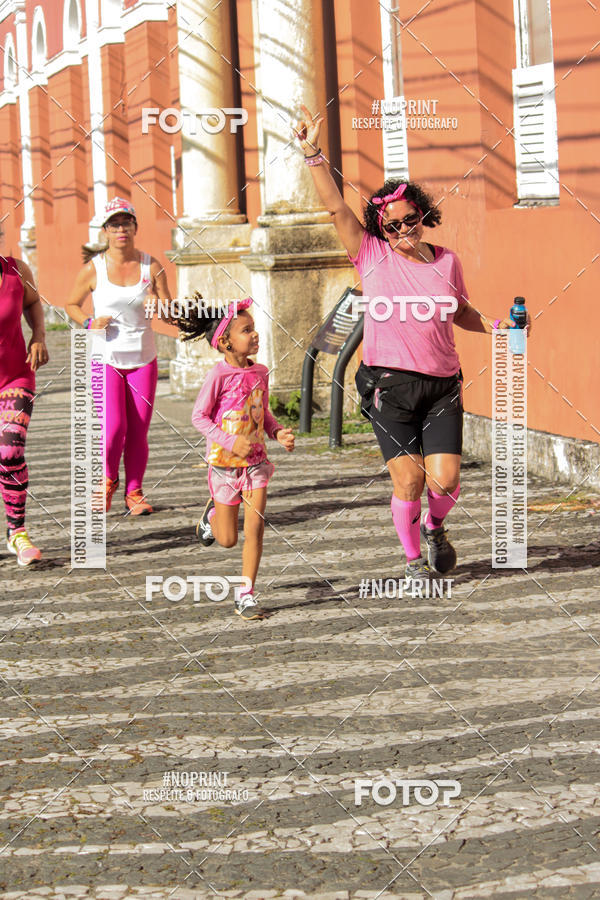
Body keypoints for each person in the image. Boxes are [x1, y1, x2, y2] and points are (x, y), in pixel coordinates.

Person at [296, 104, 531, 585]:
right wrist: (314, 155)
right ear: (379, 229)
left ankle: (435, 526)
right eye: (393, 225)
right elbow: (336, 208)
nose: (404, 230)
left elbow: (460, 310)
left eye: (411, 219)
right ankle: (412, 561)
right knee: (410, 479)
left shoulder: (447, 261)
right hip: (390, 383)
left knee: (446, 481)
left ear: (423, 213)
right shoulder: (370, 254)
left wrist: (498, 328)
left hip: (443, 385)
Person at [176, 295, 295, 620]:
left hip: (256, 464)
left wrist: (277, 432)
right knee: (228, 539)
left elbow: (263, 414)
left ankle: (246, 595)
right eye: (246, 330)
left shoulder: (260, 372)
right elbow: (199, 418)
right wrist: (229, 441)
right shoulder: (218, 376)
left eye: (254, 328)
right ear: (225, 342)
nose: (254, 335)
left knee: (255, 529)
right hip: (225, 467)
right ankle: (213, 514)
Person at [66, 198, 172, 515]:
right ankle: (108, 480)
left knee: (138, 430)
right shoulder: (93, 269)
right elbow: (71, 304)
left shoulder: (151, 266)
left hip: (144, 359)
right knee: (114, 429)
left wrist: (157, 300)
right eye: (114, 224)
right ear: (105, 232)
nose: (121, 229)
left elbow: (170, 311)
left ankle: (134, 492)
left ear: (135, 228)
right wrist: (88, 322)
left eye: (126, 222)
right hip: (106, 361)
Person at [0, 252, 49, 565]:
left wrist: (38, 335)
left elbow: (32, 302)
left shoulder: (14, 270)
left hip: (15, 376)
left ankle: (17, 531)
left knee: (9, 451)